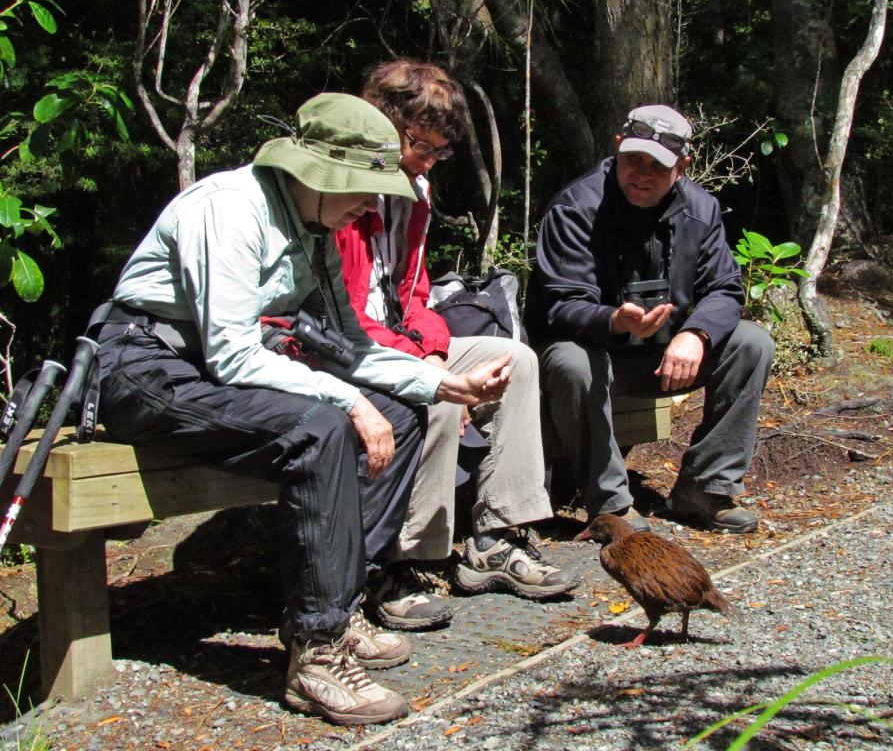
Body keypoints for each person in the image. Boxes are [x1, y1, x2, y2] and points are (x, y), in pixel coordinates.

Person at [95, 93, 514, 726]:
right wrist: (347, 401)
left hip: (206, 368)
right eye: (363, 189)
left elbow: (345, 346)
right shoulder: (229, 210)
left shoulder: (315, 225)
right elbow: (233, 355)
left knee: (401, 414)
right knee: (318, 427)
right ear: (317, 175)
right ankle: (316, 652)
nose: (372, 205)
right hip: (142, 367)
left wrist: (446, 387)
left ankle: (340, 604)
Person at [335, 59, 579, 631]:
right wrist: (425, 362)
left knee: (514, 361)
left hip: (397, 337)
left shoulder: (415, 192)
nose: (428, 159)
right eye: (420, 144)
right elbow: (340, 315)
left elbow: (413, 291)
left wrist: (435, 345)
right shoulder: (344, 189)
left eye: (440, 150)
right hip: (346, 350)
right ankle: (401, 562)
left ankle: (496, 536)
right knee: (437, 393)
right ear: (381, 125)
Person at [525, 104, 775, 535]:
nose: (642, 174)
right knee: (572, 360)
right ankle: (610, 507)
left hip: (662, 354)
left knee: (752, 344)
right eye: (633, 160)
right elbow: (558, 304)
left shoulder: (701, 209)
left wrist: (696, 334)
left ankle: (704, 490)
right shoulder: (576, 207)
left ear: (683, 166)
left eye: (658, 166)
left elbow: (726, 288)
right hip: (593, 354)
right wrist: (613, 320)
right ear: (617, 147)